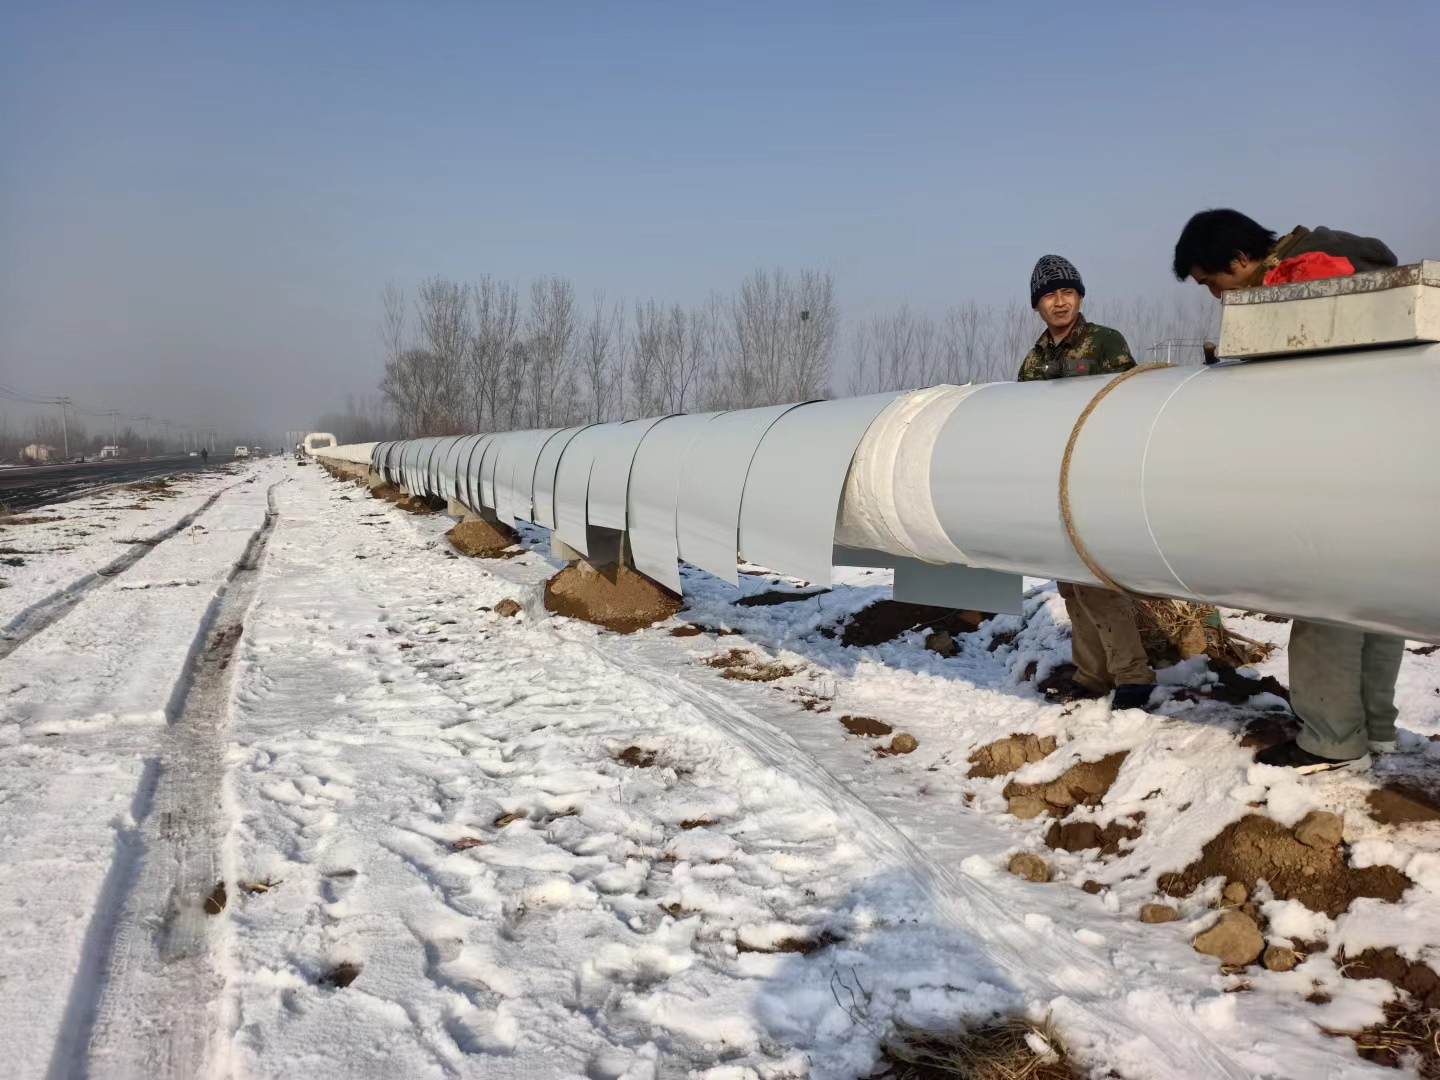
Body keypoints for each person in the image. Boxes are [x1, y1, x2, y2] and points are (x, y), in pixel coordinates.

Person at [1172, 209, 1406, 773]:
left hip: (1332, 471)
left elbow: (1305, 385)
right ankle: (1375, 729)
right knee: (1377, 604)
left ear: (1239, 260)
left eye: (1211, 282)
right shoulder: (1346, 262)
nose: (1216, 296)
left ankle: (1331, 741)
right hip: (1385, 465)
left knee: (1325, 609)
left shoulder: (1302, 278)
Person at [1019, 255, 1156, 711]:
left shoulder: (1104, 342)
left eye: (1067, 293)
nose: (1060, 303)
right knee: (1072, 588)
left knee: (1097, 584)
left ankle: (1133, 676)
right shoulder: (1034, 360)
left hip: (1096, 478)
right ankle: (1091, 675)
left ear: (1079, 296)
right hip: (1053, 482)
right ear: (1037, 305)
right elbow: (1025, 420)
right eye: (1049, 296)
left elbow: (1129, 402)